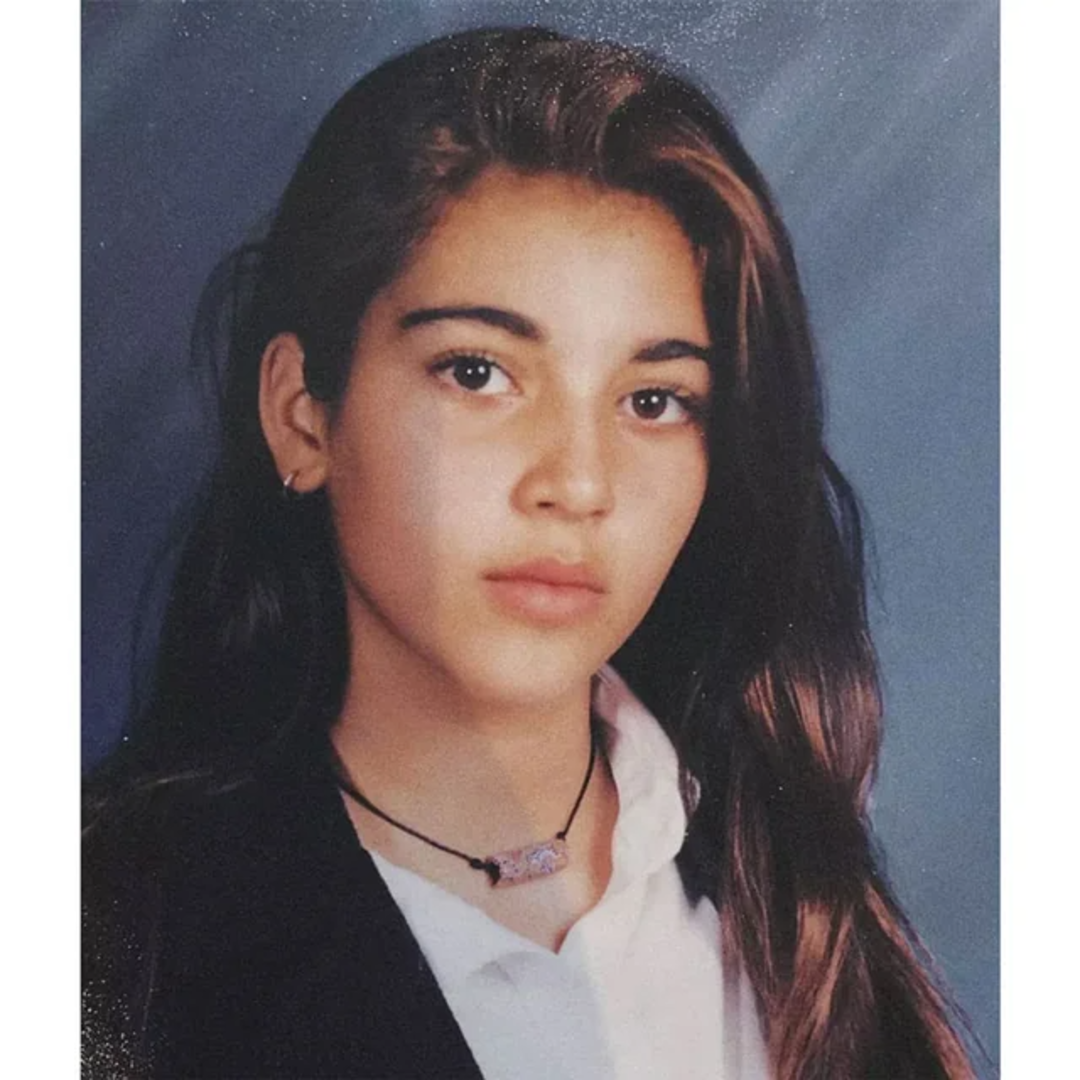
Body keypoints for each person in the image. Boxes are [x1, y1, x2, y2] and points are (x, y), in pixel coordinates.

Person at [82, 26, 978, 1080]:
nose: (579, 483)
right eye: (478, 374)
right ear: (302, 414)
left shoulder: (793, 885)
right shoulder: (110, 946)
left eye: (654, 401)